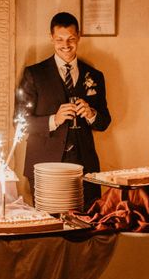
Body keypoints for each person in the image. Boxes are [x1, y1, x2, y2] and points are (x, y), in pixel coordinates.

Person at [16, 12, 111, 209]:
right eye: (59, 39)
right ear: (51, 38)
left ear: (79, 37)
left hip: (85, 164)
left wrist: (92, 115)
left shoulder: (94, 75)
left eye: (71, 39)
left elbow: (104, 122)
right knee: (50, 225)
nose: (65, 45)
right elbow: (19, 122)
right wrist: (54, 119)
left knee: (88, 221)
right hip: (45, 164)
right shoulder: (34, 74)